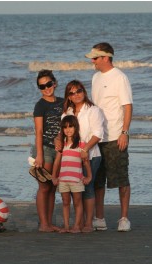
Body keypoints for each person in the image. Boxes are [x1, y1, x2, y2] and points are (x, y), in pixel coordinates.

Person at [85, 42, 133, 232]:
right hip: (97, 137)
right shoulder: (95, 77)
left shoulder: (119, 77)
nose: (93, 61)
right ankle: (100, 218)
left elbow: (127, 106)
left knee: (121, 178)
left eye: (95, 58)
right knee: (98, 180)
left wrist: (124, 132)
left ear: (106, 57)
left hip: (115, 136)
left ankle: (123, 218)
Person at [61, 80, 104, 233]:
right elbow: (63, 134)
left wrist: (85, 149)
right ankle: (77, 224)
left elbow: (98, 134)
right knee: (75, 190)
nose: (76, 94)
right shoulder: (67, 113)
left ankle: (88, 224)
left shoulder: (93, 110)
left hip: (91, 154)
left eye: (79, 91)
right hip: (72, 157)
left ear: (84, 92)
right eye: (72, 93)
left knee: (87, 187)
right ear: (68, 97)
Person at [31, 69, 65, 232]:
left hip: (59, 151)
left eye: (49, 84)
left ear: (55, 83)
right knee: (44, 187)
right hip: (44, 149)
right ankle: (44, 224)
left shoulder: (64, 102)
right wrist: (39, 155)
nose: (46, 88)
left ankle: (49, 223)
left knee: (52, 187)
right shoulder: (40, 105)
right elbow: (38, 132)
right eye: (42, 86)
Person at [51, 115, 92, 233]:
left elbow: (86, 162)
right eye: (65, 128)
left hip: (76, 179)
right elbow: (57, 162)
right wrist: (54, 176)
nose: (68, 130)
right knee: (65, 202)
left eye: (71, 127)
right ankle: (67, 226)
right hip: (63, 179)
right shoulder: (61, 145)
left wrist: (89, 176)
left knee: (78, 202)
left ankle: (76, 226)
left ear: (76, 128)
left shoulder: (81, 145)